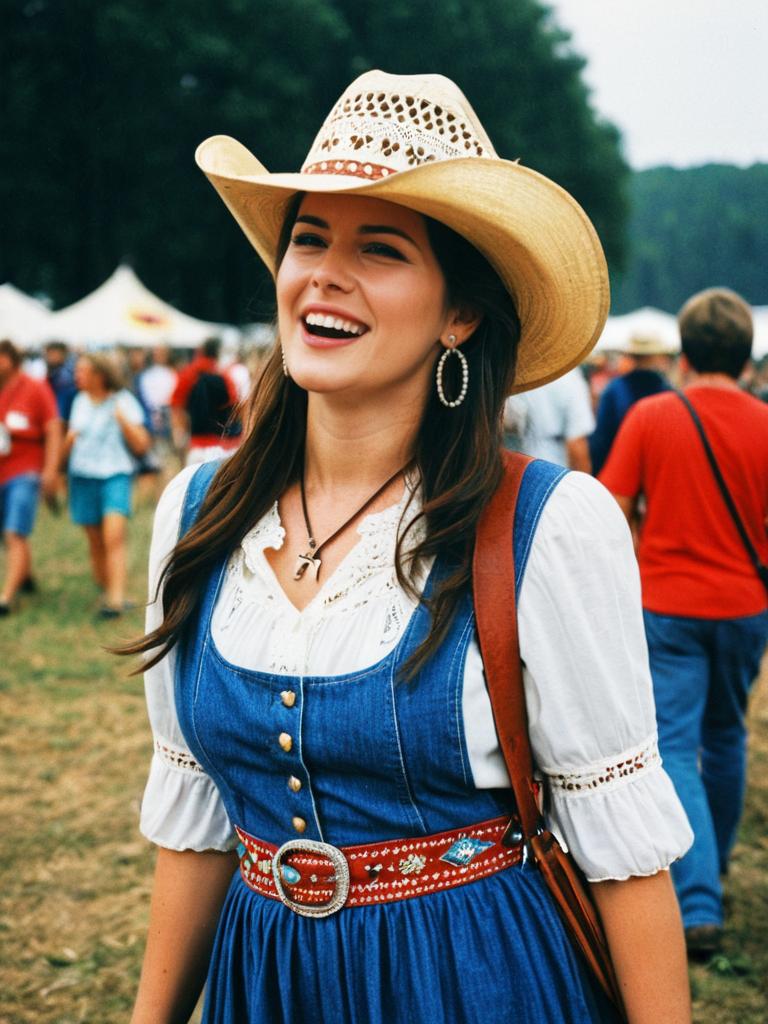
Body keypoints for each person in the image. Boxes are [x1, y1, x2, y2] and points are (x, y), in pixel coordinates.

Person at [126, 71, 692, 1024]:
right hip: (266, 988)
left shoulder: (544, 526)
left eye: (380, 249)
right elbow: (195, 827)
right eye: (308, 238)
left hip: (472, 982)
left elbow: (624, 861)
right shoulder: (196, 513)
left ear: (458, 312)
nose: (325, 274)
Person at [599, 287, 768, 958]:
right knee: (726, 737)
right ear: (746, 353)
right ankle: (716, 863)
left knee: (673, 746)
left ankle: (697, 902)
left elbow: (613, 505)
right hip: (745, 605)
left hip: (665, 604)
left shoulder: (653, 414)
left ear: (685, 352)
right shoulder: (764, 421)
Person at [64, 353, 151, 617]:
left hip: (115, 475)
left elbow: (142, 444)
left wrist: (121, 418)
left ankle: (115, 599)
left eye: (82, 371)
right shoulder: (79, 401)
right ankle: (107, 588)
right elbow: (70, 438)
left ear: (99, 375)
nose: (76, 375)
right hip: (83, 476)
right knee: (95, 539)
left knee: (114, 536)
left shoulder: (124, 401)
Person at [0, 338, 62, 614]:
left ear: (10, 359)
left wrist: (50, 470)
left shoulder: (34, 388)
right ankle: (25, 576)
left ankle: (6, 597)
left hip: (25, 470)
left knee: (14, 531)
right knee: (9, 535)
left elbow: (53, 427)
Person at [589, 334, 672, 476]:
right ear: (655, 357)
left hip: (621, 465)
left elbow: (602, 437)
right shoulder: (666, 389)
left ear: (632, 356)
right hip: (657, 465)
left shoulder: (615, 388)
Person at [503, 366, 595, 471]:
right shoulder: (570, 377)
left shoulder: (516, 373)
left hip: (513, 464)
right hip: (555, 465)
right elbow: (577, 442)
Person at [170, 337, 241, 465]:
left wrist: (180, 437)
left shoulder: (187, 375)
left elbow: (177, 408)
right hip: (225, 446)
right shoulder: (225, 377)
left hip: (199, 446)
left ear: (200, 351)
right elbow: (236, 408)